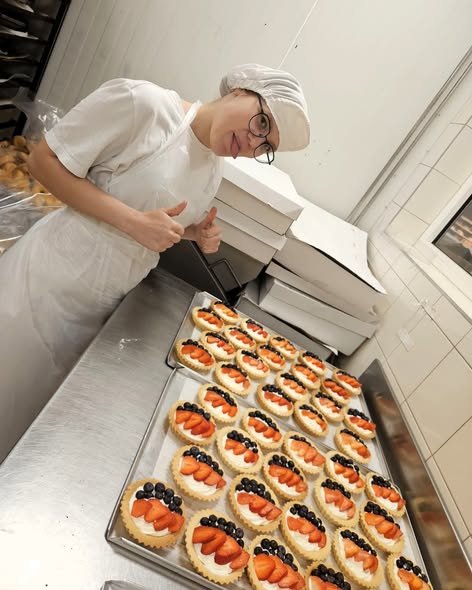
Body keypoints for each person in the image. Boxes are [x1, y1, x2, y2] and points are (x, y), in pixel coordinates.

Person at [0, 63, 310, 460]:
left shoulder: (212, 171)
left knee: (22, 425)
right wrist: (133, 222)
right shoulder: (143, 104)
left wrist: (193, 233)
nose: (253, 143)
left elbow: (154, 224)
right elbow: (43, 162)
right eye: (261, 123)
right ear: (239, 91)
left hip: (96, 310)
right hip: (40, 289)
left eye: (265, 147)